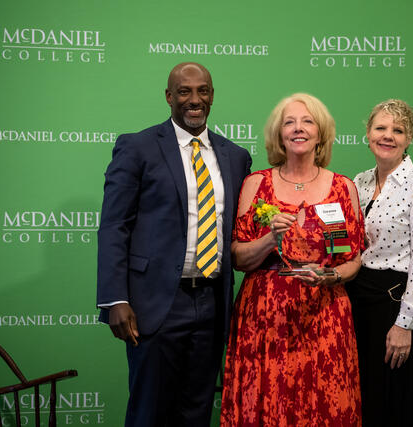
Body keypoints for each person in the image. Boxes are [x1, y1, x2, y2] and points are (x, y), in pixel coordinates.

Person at [96, 62, 252, 427]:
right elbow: (114, 226)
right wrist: (116, 299)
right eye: (184, 91)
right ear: (169, 97)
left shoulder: (236, 157)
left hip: (213, 305)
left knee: (196, 411)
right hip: (155, 304)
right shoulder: (137, 147)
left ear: (212, 96)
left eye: (203, 91)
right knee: (149, 411)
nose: (194, 100)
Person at [220, 93, 364, 426]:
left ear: (321, 133)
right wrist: (270, 239)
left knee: (326, 407)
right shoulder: (256, 184)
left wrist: (328, 277)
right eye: (289, 122)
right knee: (266, 405)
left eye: (307, 121)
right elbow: (238, 257)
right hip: (264, 318)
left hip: (325, 316)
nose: (298, 129)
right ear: (279, 135)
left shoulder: (343, 188)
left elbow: (352, 259)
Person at [347, 99, 413, 426]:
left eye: (398, 130)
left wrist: (405, 323)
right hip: (358, 303)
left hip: (396, 305)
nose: (388, 136)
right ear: (368, 133)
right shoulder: (357, 183)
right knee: (365, 398)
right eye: (381, 128)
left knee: (398, 403)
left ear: (409, 138)